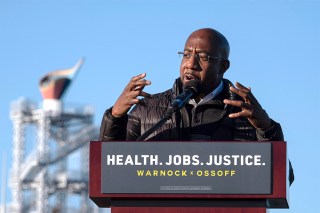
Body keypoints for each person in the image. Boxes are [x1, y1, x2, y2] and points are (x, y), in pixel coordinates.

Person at [99, 28, 284, 142]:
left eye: (203, 57)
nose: (191, 64)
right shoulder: (146, 108)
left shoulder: (244, 114)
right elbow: (108, 172)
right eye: (186, 54)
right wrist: (114, 117)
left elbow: (282, 177)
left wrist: (266, 129)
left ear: (223, 66)